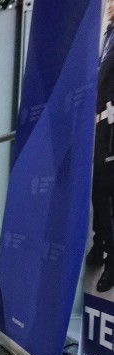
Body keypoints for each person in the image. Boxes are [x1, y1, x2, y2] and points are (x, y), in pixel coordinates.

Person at [88, 0, 114, 292]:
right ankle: (99, 243)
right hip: (100, 126)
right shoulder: (108, 32)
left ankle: (112, 258)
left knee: (107, 193)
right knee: (99, 190)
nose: (108, 5)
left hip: (111, 129)